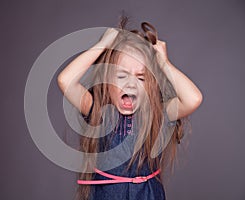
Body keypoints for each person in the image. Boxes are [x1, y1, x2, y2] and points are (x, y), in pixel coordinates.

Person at [57, 17, 203, 200]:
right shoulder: (98, 112)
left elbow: (193, 98)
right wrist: (103, 44)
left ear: (151, 85)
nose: (131, 84)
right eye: (121, 76)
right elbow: (65, 80)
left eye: (141, 78)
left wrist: (164, 63)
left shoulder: (157, 114)